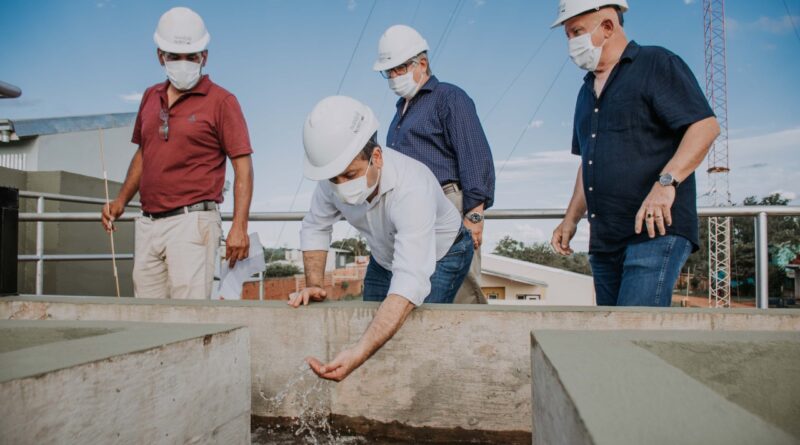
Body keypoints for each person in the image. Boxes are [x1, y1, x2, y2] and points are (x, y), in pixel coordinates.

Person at [549, 0, 720, 307]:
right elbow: (589, 161)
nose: (572, 43)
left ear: (607, 27)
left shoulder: (656, 63)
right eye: (568, 35)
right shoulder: (586, 90)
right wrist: (571, 219)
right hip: (605, 239)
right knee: (614, 342)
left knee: (636, 334)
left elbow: (704, 128)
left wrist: (666, 184)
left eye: (577, 32)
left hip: (654, 233)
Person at [291, 96, 473, 381]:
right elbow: (315, 226)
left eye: (350, 175)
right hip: (384, 254)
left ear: (376, 157)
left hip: (444, 252)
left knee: (411, 329)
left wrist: (358, 352)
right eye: (333, 179)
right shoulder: (332, 182)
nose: (341, 187)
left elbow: (409, 282)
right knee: (373, 327)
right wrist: (314, 284)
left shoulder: (412, 188)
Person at [101, 7, 254, 299]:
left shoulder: (223, 101)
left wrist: (239, 226)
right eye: (174, 56)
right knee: (146, 317)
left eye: (191, 56)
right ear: (160, 56)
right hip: (147, 223)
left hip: (191, 224)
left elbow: (243, 167)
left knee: (187, 321)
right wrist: (121, 201)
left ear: (203, 57)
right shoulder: (150, 96)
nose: (183, 63)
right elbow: (144, 154)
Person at [373, 25, 495, 304]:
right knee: (420, 285)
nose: (393, 77)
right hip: (411, 207)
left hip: (448, 200)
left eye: (399, 69)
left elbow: (475, 156)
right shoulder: (401, 111)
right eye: (388, 71)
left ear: (422, 64)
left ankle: (469, 347)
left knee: (461, 288)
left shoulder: (449, 98)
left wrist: (474, 217)